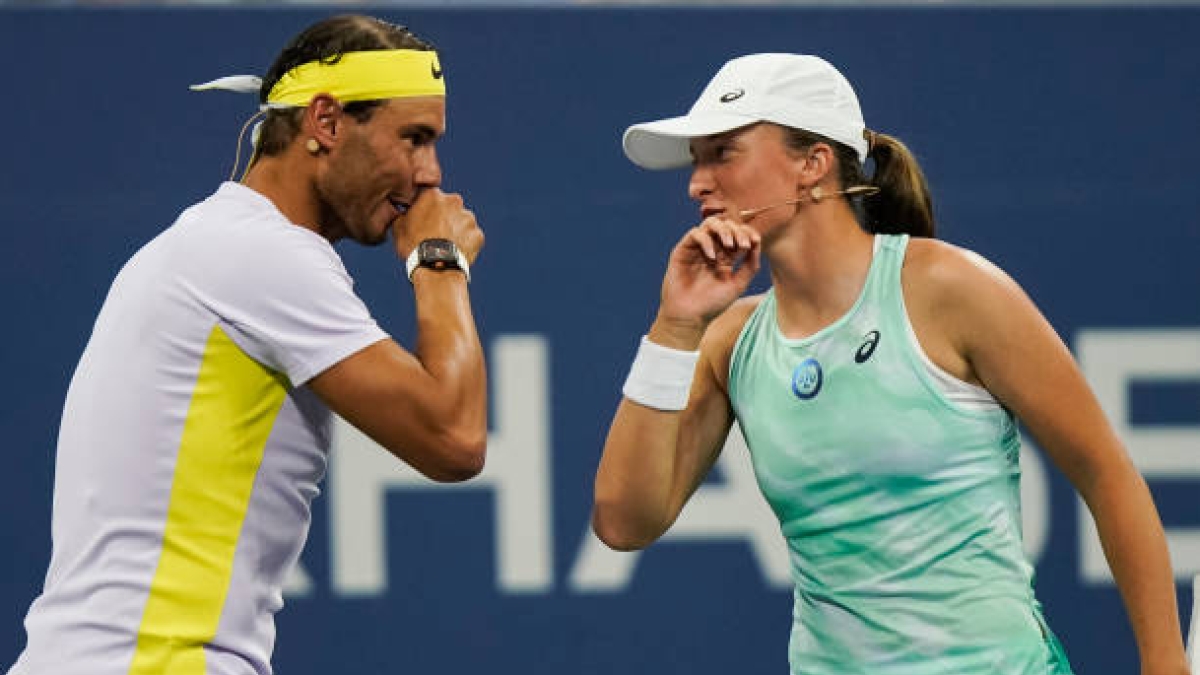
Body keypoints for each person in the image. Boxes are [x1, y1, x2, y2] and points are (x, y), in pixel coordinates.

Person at [592, 53, 1190, 675]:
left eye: (723, 153)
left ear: (812, 164)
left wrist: (1164, 663)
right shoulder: (731, 339)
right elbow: (623, 522)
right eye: (697, 160)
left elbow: (1106, 474)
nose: (697, 184)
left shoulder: (950, 289)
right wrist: (675, 327)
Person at [7, 14, 486, 675]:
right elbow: (454, 438)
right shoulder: (262, 255)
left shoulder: (214, 242)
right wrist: (439, 259)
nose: (430, 174)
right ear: (325, 122)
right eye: (413, 139)